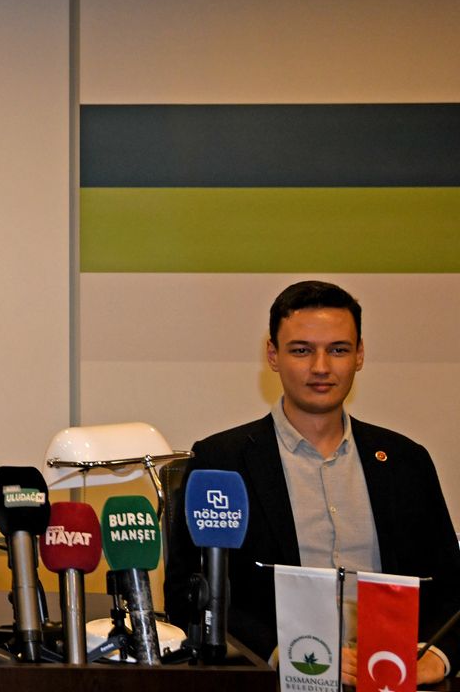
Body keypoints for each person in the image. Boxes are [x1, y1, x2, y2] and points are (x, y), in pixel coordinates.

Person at [164, 281, 460, 684]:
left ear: (359, 355)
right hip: (278, 678)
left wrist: (438, 657)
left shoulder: (406, 461)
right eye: (301, 350)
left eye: (338, 350)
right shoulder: (222, 461)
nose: (321, 367)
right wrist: (283, 653)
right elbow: (189, 593)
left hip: (390, 678)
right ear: (273, 355)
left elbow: (451, 587)